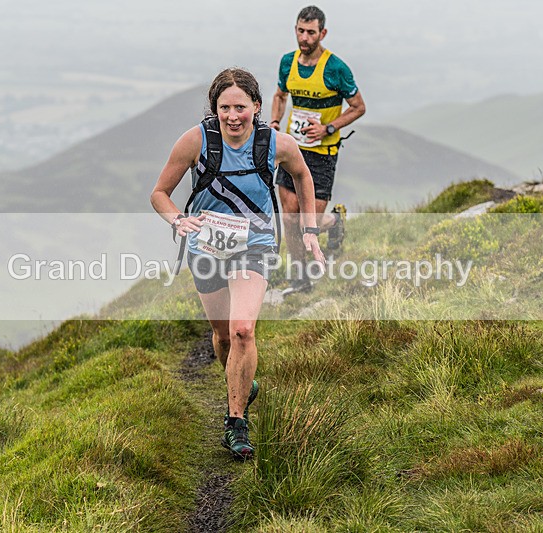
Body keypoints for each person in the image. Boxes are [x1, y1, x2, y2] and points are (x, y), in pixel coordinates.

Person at [150, 68, 325, 460]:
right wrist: (179, 219)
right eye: (224, 107)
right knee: (224, 337)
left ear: (256, 107)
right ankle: (242, 379)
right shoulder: (196, 141)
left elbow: (302, 176)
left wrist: (310, 229)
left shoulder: (274, 143)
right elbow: (159, 193)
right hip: (207, 246)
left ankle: (235, 422)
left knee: (243, 330)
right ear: (214, 108)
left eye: (241, 107)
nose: (233, 116)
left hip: (256, 244)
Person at [271, 5, 366, 295]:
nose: (304, 37)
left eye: (311, 32)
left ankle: (335, 222)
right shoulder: (287, 62)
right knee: (289, 216)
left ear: (322, 33)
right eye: (300, 30)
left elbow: (358, 107)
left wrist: (328, 127)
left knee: (306, 221)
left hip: (322, 154)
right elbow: (279, 94)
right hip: (292, 150)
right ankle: (300, 279)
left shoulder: (336, 68)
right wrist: (275, 122)